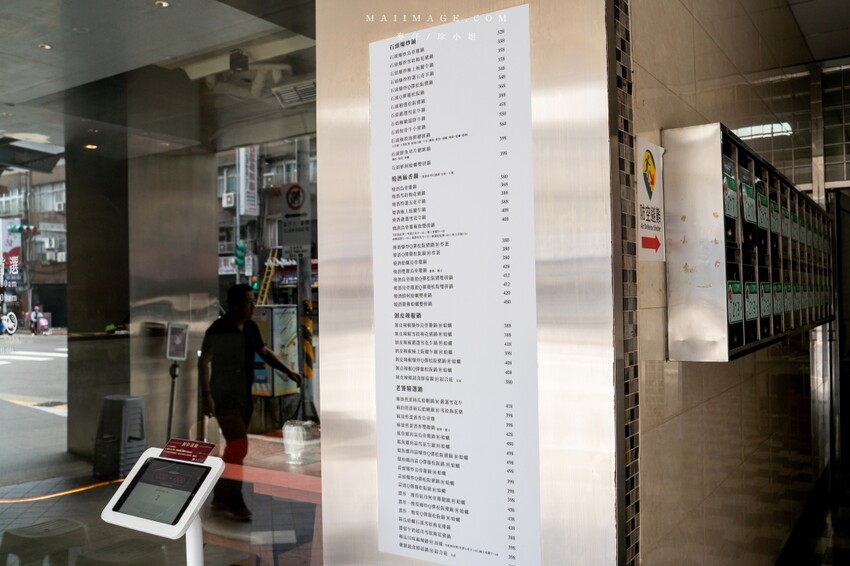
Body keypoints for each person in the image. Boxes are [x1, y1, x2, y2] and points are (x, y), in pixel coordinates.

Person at [198, 283, 302, 520]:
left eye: (254, 301)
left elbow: (264, 352)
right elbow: (203, 362)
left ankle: (220, 495)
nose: (254, 306)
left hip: (245, 395)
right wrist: (206, 395)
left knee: (235, 449)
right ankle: (235, 500)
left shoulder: (251, 328)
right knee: (239, 445)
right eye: (249, 302)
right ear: (235, 304)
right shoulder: (218, 329)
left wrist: (288, 371)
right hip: (224, 395)